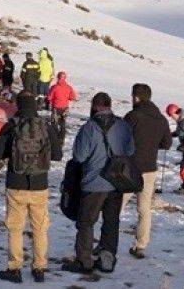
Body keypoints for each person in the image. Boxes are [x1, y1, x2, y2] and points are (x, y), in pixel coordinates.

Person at [0, 91, 63, 283]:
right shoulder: (45, 126)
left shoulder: (11, 126)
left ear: (18, 105)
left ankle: (14, 269)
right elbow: (57, 155)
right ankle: (39, 268)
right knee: (40, 228)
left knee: (15, 228)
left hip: (16, 184)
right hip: (40, 185)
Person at [63, 92, 134, 275]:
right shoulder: (123, 125)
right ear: (110, 105)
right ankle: (107, 259)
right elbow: (130, 150)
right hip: (117, 182)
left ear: (94, 106)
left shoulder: (89, 128)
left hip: (94, 182)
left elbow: (79, 156)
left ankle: (84, 261)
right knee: (111, 221)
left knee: (86, 222)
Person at [121, 84, 172, 260]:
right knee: (144, 209)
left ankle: (107, 242)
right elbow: (167, 144)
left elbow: (120, 138)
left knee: (116, 205)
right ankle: (141, 245)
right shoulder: (161, 119)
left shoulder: (133, 116)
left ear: (136, 97)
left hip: (130, 167)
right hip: (149, 168)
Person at [46, 71, 76, 140]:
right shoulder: (69, 87)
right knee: (63, 123)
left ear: (58, 77)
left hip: (56, 108)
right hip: (65, 108)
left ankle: (54, 138)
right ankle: (61, 138)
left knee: (54, 123)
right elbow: (73, 98)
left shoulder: (54, 87)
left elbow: (49, 97)